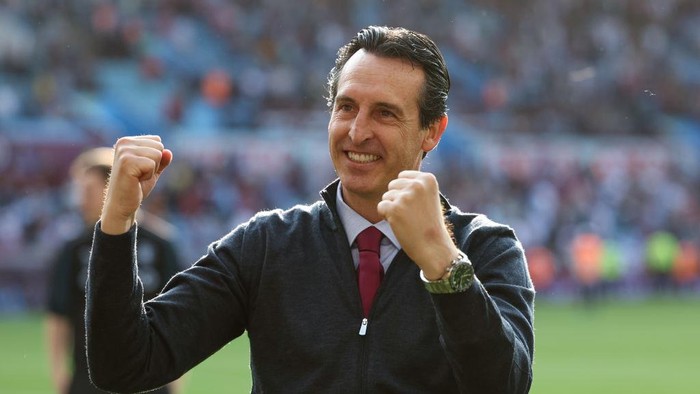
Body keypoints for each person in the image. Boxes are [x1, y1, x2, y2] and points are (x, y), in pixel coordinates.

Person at [86, 26, 535, 393]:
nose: (357, 132)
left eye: (384, 113)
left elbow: (505, 386)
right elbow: (124, 365)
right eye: (346, 107)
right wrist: (118, 222)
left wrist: (443, 264)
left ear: (431, 132)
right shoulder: (267, 246)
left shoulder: (486, 247)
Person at [45, 147, 184, 394]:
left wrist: (175, 381)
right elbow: (59, 315)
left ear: (115, 186)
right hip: (88, 381)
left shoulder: (163, 243)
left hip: (149, 380)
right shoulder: (74, 247)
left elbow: (176, 315)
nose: (81, 199)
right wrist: (59, 377)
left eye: (88, 190)